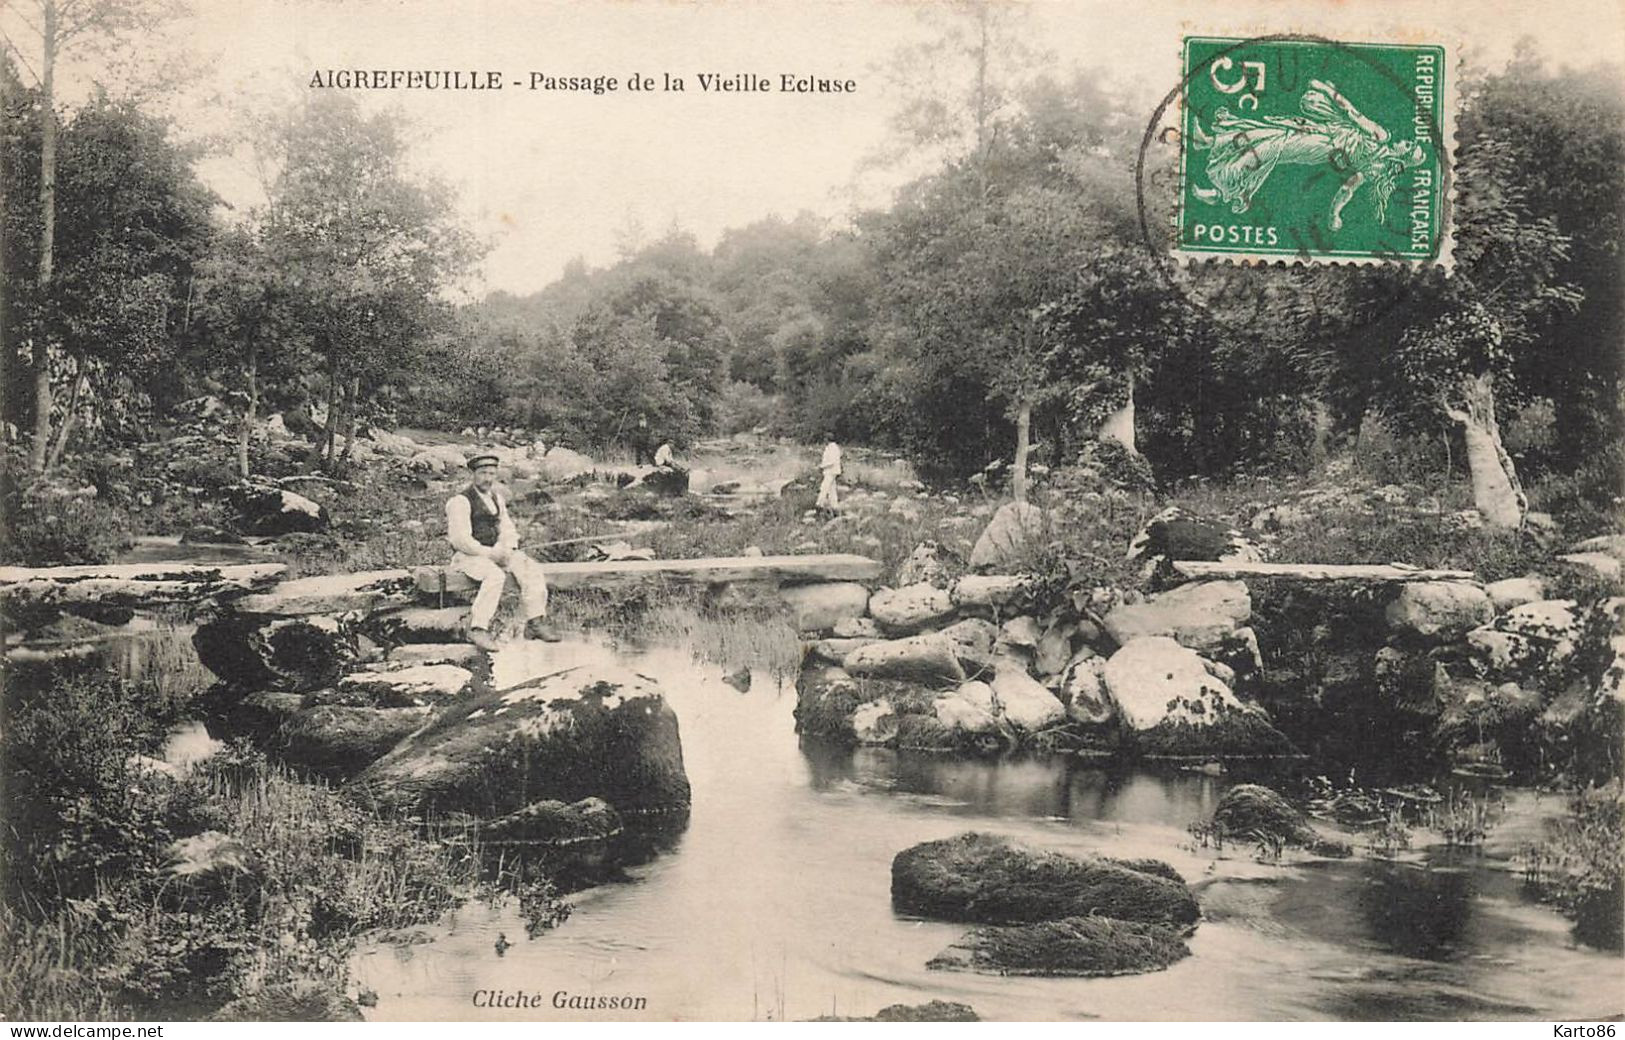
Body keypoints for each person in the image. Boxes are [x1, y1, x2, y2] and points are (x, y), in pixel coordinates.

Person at [445, 453, 560, 649]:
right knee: (495, 576)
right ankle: (478, 628)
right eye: (483, 473)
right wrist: (490, 553)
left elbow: (507, 529)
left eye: (491, 474)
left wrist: (507, 548)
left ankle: (535, 621)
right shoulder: (460, 501)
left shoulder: (496, 498)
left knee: (530, 567)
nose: (488, 478)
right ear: (473, 474)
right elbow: (460, 540)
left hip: (496, 553)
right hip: (468, 557)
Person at [816, 434, 842, 512]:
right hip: (830, 471)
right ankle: (834, 506)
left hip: (831, 471)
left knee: (824, 487)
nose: (824, 440)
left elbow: (831, 461)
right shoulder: (831, 447)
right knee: (831, 489)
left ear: (828, 439)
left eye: (825, 439)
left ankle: (819, 504)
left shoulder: (833, 448)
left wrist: (821, 466)